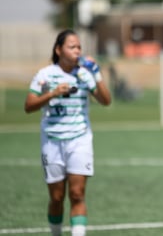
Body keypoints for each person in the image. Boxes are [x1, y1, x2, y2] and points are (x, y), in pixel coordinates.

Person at [24, 29, 111, 236]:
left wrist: (96, 73)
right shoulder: (45, 75)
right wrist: (53, 93)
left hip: (79, 140)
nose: (77, 50)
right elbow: (28, 105)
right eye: (72, 46)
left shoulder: (84, 74)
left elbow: (106, 100)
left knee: (77, 193)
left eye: (79, 47)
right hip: (52, 141)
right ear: (58, 50)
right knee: (56, 197)